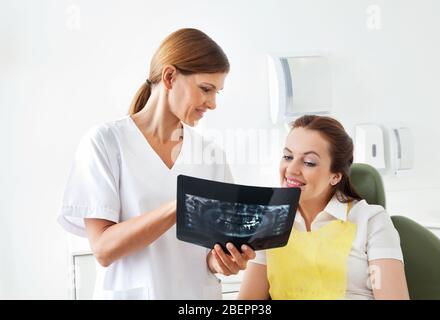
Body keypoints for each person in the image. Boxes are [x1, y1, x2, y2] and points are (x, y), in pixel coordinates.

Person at [57, 28, 255, 300]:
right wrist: (181, 204)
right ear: (170, 77)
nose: (213, 103)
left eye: (217, 92)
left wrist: (222, 261)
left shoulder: (211, 155)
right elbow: (103, 249)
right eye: (206, 89)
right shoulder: (105, 142)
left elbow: (210, 255)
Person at [238, 115, 409, 300]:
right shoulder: (267, 223)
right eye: (288, 156)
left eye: (309, 162)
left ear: (335, 176)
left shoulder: (371, 221)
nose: (291, 169)